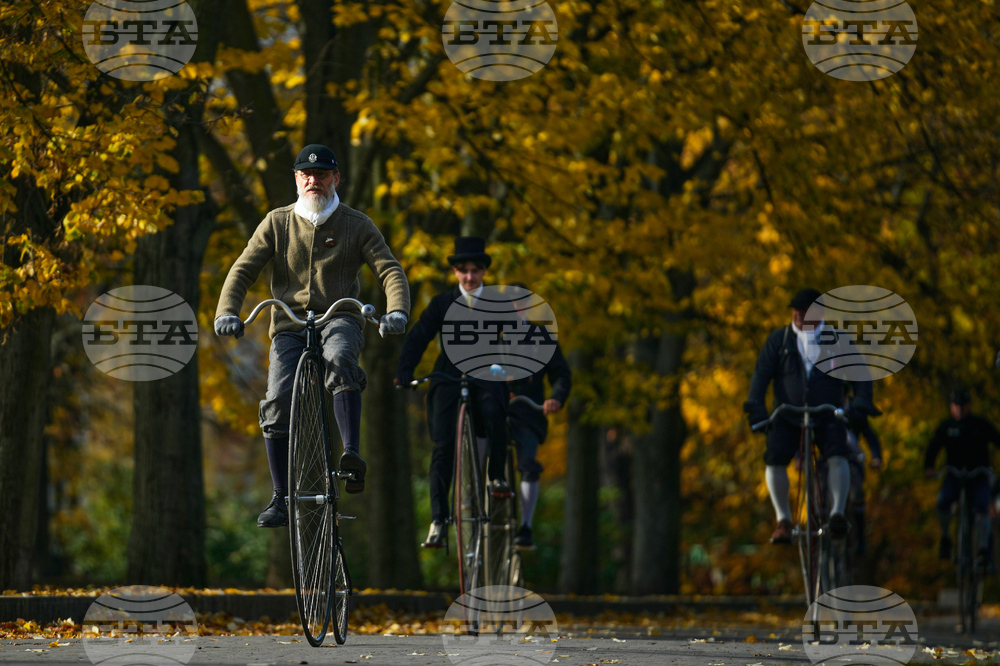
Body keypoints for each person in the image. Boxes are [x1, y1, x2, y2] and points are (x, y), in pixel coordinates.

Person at [214, 144, 410, 527]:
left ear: (336, 179)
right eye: (306, 174)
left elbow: (389, 269)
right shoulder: (277, 222)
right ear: (296, 179)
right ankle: (280, 497)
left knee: (340, 358)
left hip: (340, 318)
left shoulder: (357, 224)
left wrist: (398, 310)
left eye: (321, 175)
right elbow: (243, 269)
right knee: (277, 397)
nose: (313, 181)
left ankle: (351, 455)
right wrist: (227, 312)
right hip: (289, 326)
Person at [395, 237, 511, 548]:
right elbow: (420, 335)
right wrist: (405, 369)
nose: (470, 277)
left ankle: (496, 476)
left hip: (486, 373)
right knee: (443, 445)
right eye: (464, 270)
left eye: (476, 270)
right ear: (455, 272)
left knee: (493, 410)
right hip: (449, 374)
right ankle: (438, 520)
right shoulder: (442, 303)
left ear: (484, 271)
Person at [744, 287, 879, 544]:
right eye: (795, 310)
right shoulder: (779, 340)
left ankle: (837, 514)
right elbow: (761, 376)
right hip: (787, 414)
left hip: (827, 413)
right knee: (774, 456)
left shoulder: (838, 340)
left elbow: (860, 376)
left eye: (804, 311)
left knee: (838, 452)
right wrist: (756, 408)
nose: (798, 315)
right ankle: (783, 520)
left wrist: (860, 405)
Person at [504, 283, 571, 549]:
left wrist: (555, 398)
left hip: (527, 410)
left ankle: (526, 525)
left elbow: (561, 374)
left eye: (521, 302)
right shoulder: (486, 336)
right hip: (492, 409)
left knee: (528, 462)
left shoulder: (541, 338)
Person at [924, 388, 1000, 561]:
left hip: (978, 475)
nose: (959, 409)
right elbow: (933, 447)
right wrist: (929, 467)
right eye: (956, 405)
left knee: (982, 507)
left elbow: (997, 439)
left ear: (969, 406)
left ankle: (982, 549)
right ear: (951, 407)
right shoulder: (947, 426)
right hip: (954, 475)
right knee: (943, 501)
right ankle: (946, 537)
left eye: (962, 405)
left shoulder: (980, 424)